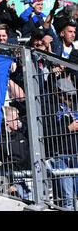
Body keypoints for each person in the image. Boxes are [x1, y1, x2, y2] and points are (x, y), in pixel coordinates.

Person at [43, 76, 78, 210]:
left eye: (71, 95)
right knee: (67, 198)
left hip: (76, 154)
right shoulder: (48, 107)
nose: (69, 98)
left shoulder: (75, 105)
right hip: (60, 155)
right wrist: (69, 128)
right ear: (57, 92)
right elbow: (46, 132)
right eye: (66, 95)